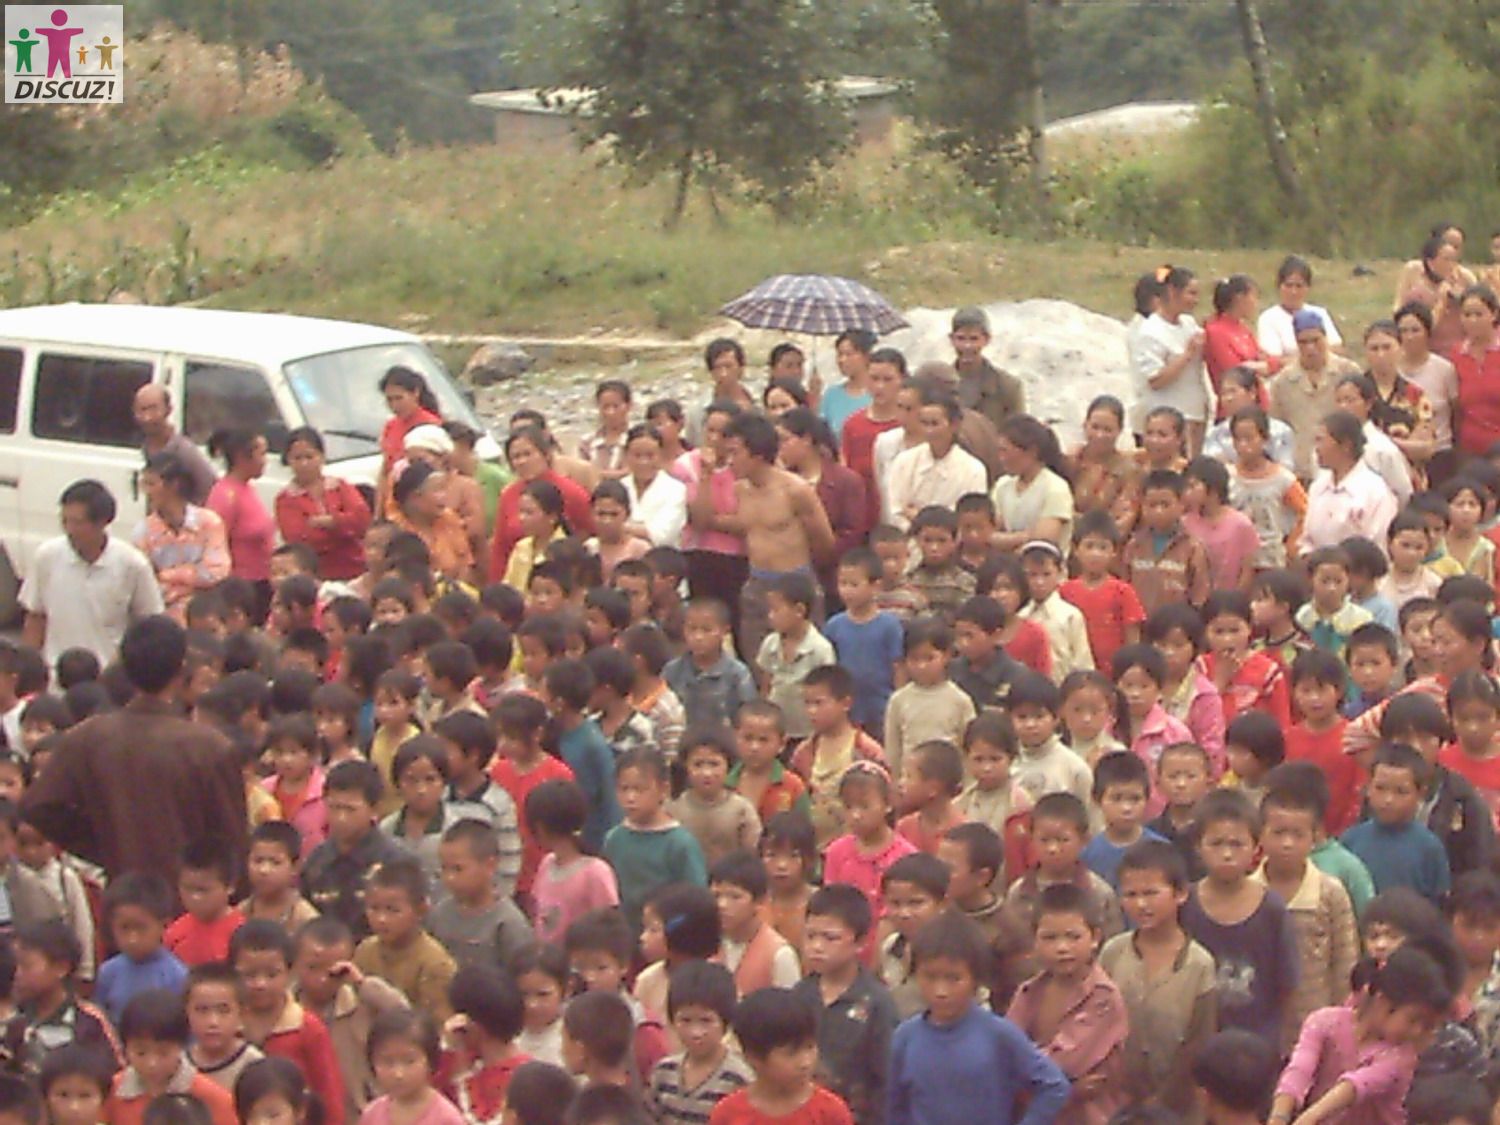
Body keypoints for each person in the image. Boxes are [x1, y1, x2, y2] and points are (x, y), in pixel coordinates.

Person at [21, 615, 245, 881]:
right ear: (182, 669)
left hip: (124, 889)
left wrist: (104, 845)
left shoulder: (89, 736)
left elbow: (39, 806)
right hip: (192, 896)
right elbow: (233, 844)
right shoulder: (210, 748)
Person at [887, 912, 1070, 1125]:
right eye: (930, 977)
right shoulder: (905, 1037)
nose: (941, 991)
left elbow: (1053, 1085)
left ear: (975, 979)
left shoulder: (998, 1034)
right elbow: (895, 1106)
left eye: (953, 979)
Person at [690, 413, 835, 664]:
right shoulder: (741, 490)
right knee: (757, 660)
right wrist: (705, 477)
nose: (730, 460)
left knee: (804, 660)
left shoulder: (795, 490)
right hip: (757, 583)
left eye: (735, 453)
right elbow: (705, 521)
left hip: (794, 581)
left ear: (757, 455)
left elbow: (824, 541)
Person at [19, 479, 163, 669]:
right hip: (57, 673)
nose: (69, 530)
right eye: (65, 521)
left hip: (108, 675)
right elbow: (36, 618)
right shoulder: (47, 557)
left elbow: (148, 624)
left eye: (78, 523)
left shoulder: (133, 565)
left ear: (102, 522)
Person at [133, 453, 231, 622]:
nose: (147, 493)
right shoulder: (143, 532)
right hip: (163, 619)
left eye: (151, 484)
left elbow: (216, 572)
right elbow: (145, 585)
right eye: (144, 485)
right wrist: (192, 583)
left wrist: (167, 575)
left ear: (174, 485)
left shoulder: (209, 523)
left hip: (205, 616)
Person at [489, 426, 594, 582]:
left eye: (528, 454)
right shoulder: (508, 495)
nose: (522, 461)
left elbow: (591, 531)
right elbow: (500, 548)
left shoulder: (571, 492)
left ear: (545, 455)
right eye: (516, 457)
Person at [1269, 310, 1363, 482]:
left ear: (1325, 338)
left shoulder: (1348, 372)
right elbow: (1278, 429)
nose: (1310, 348)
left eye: (1315, 340)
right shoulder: (1282, 383)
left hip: (1342, 469)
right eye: (1303, 342)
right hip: (1301, 471)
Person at [273, 428, 372, 582]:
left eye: (309, 457)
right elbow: (298, 539)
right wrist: (344, 528)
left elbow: (362, 520)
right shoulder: (285, 499)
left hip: (355, 569)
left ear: (322, 457)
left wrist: (332, 522)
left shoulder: (340, 486)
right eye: (297, 458)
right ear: (288, 461)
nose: (304, 463)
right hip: (318, 577)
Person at [1130, 266, 1208, 455]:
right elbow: (1155, 380)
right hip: (1167, 419)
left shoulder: (1188, 323)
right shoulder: (1150, 331)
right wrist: (1186, 355)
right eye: (1191, 293)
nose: (1196, 300)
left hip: (1194, 414)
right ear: (1173, 292)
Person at [205, 428, 275, 616]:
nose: (265, 461)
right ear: (242, 457)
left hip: (262, 581)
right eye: (261, 454)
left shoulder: (247, 489)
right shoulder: (225, 495)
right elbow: (215, 545)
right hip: (242, 588)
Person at [1395, 301, 1461, 483]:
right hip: (1401, 456)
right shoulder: (1391, 370)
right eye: (1403, 331)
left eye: (1415, 330)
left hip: (1440, 454)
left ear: (1427, 333)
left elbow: (1456, 412)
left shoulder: (1444, 369)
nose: (1409, 337)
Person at [1394, 230, 1477, 356]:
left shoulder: (1463, 283)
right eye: (1446, 260)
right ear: (1431, 263)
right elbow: (1422, 330)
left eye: (1454, 260)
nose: (1452, 266)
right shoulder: (1417, 295)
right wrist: (1441, 301)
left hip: (1461, 352)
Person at [1203, 274, 1277, 412]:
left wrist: (1266, 365)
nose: (1256, 303)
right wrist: (1258, 367)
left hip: (1257, 405)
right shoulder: (1215, 332)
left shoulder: (1243, 329)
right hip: (1234, 409)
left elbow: (1265, 359)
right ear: (1240, 298)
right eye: (1254, 296)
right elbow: (1236, 373)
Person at [132, 384, 217, 504]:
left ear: (168, 410)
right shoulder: (146, 446)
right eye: (142, 410)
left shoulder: (184, 451)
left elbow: (212, 489)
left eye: (153, 409)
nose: (147, 417)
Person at [950, 307, 1025, 431]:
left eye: (974, 339)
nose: (967, 346)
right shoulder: (939, 384)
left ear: (987, 339)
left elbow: (1019, 433)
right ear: (951, 339)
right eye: (961, 338)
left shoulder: (1007, 387)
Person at [1257, 254, 1343, 361]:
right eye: (1289, 285)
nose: (1294, 292)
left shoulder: (1319, 313)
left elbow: (1337, 348)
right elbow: (1274, 359)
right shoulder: (1268, 318)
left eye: (1299, 286)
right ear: (1279, 286)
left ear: (1308, 288)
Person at [1450, 284, 1500, 458]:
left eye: (1479, 314)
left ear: (1494, 314)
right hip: (1469, 450)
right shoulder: (1456, 354)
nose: (1472, 320)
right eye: (1467, 315)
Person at [820, 329, 877, 442]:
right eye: (839, 354)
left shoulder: (878, 394)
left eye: (848, 354)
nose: (842, 360)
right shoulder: (831, 395)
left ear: (866, 356)